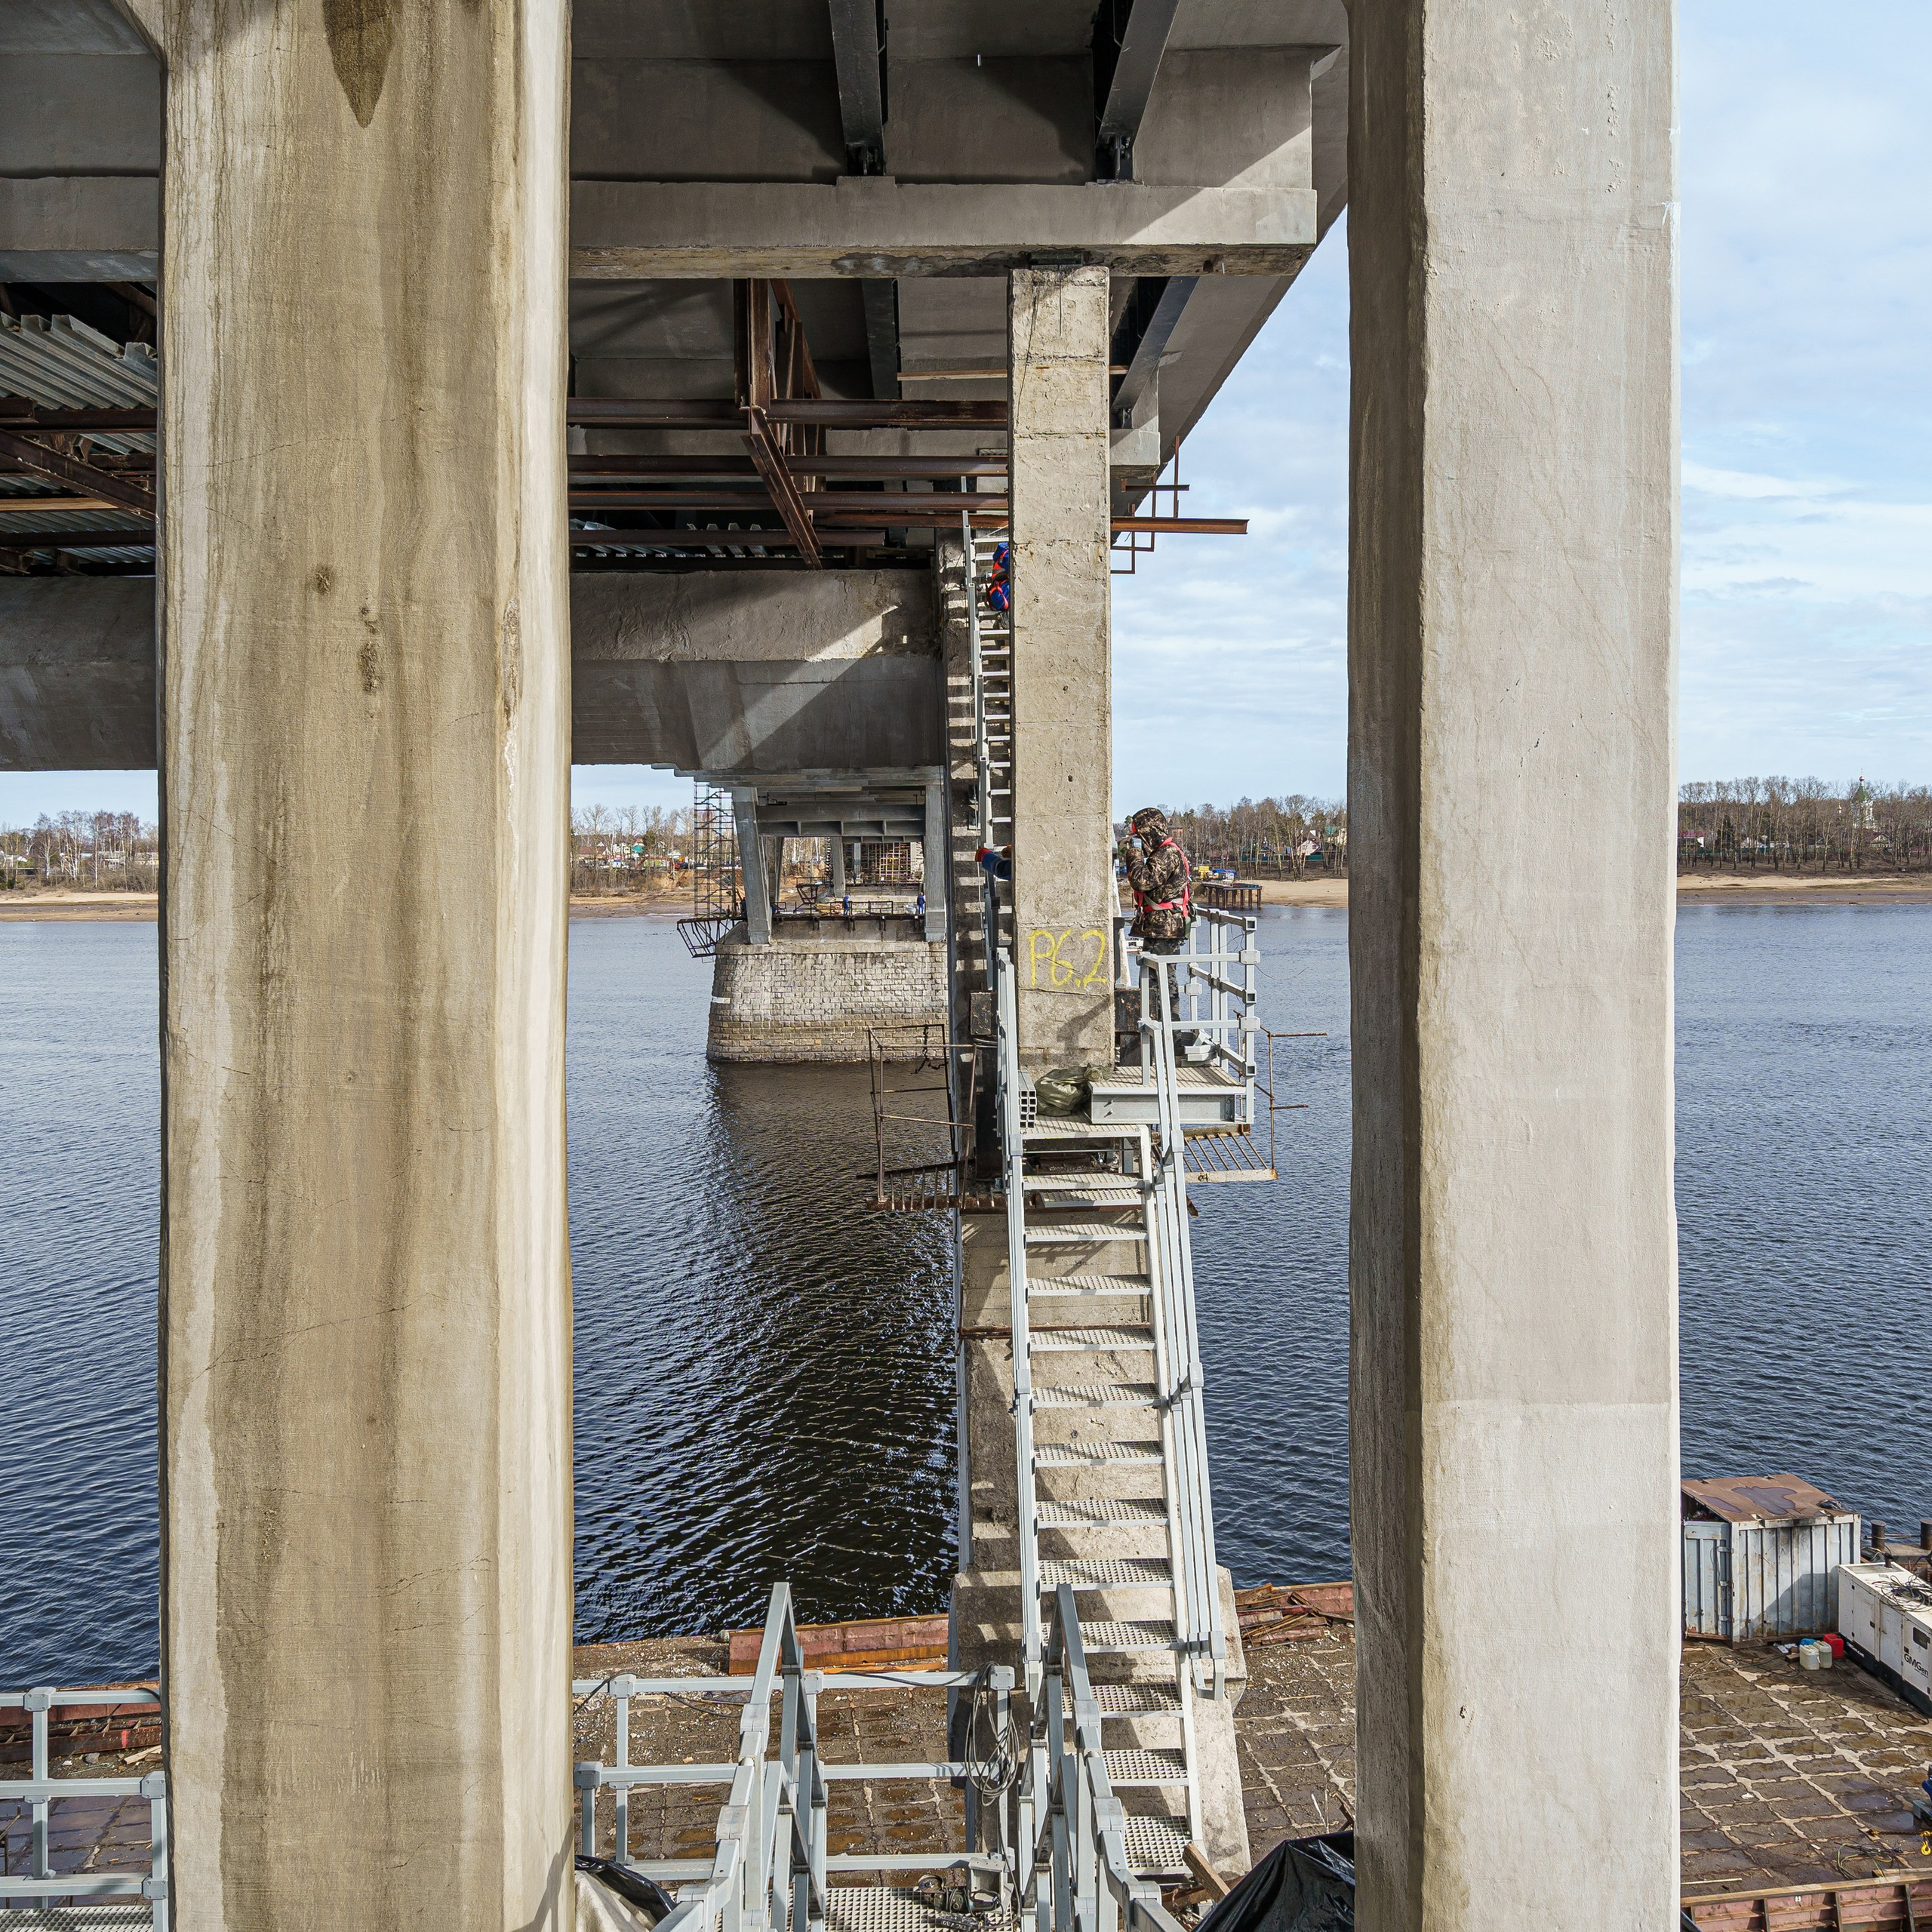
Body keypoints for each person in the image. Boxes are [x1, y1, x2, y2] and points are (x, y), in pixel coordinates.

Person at [1119, 807, 1196, 1044]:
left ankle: (1169, 1036)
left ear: (1149, 832)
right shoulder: (1164, 852)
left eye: (1140, 835)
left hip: (1165, 929)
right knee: (1160, 979)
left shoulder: (1167, 854)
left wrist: (1132, 853)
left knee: (1162, 980)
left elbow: (1142, 881)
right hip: (1161, 927)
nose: (1139, 840)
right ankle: (1166, 1034)